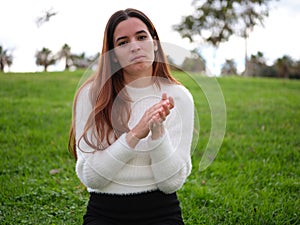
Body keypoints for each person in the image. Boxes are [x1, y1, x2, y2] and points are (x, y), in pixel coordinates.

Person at [68, 8, 194, 225]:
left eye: (142, 37)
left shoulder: (179, 97)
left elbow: (171, 183)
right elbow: (92, 178)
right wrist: (136, 133)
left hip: (161, 210)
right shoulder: (92, 95)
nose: (135, 46)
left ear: (154, 43)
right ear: (113, 54)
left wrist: (157, 134)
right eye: (123, 42)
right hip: (105, 210)